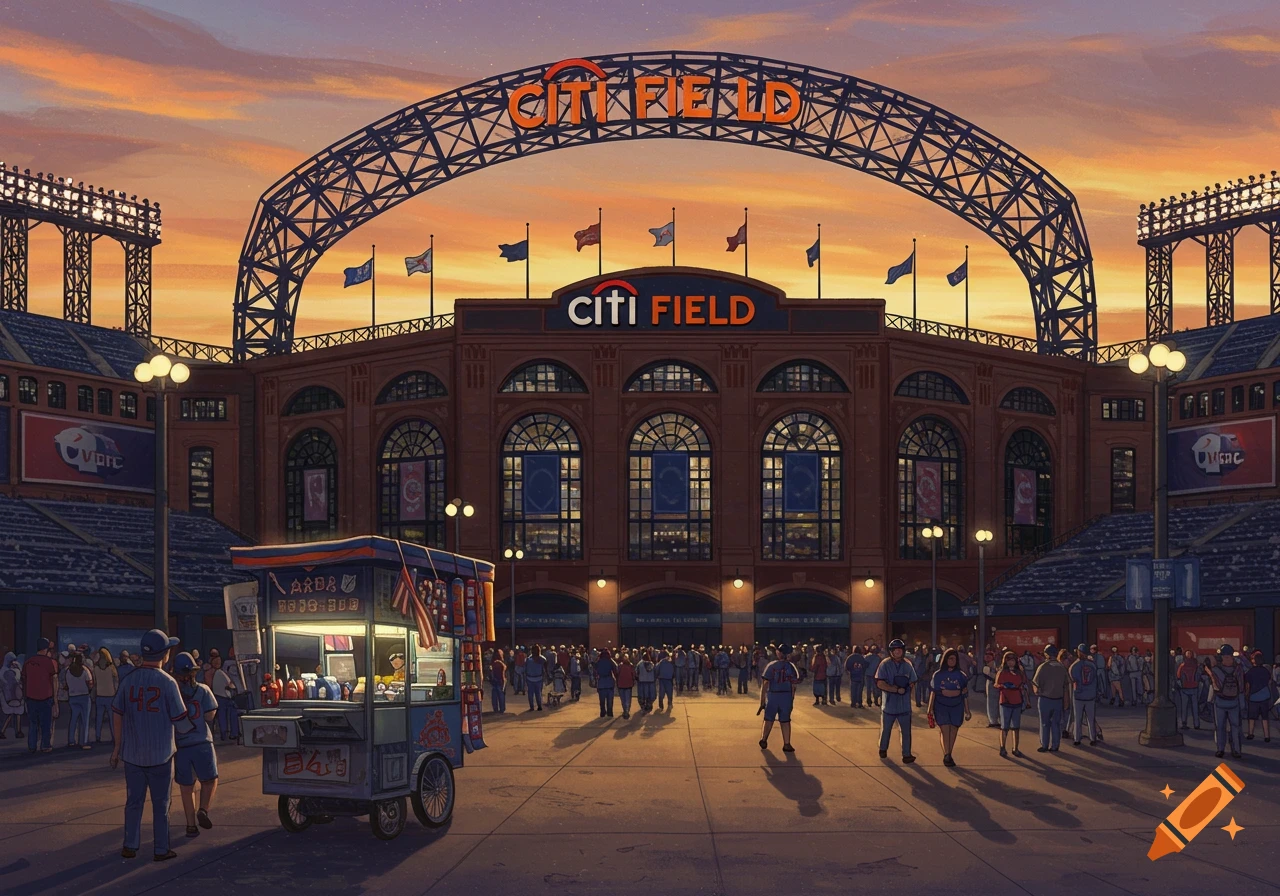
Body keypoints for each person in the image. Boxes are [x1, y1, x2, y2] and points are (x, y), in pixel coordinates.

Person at [110, 629, 194, 861]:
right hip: (161, 755)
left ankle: (130, 845)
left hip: (133, 754)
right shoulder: (168, 682)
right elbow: (181, 721)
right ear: (165, 655)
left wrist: (117, 747)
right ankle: (160, 849)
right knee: (161, 804)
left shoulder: (129, 680)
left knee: (133, 802)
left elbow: (117, 712)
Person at [171, 652, 219, 839]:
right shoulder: (203, 690)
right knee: (209, 780)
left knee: (186, 787)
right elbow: (210, 715)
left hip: (181, 745)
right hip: (202, 742)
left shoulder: (173, 693)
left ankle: (191, 825)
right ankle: (204, 809)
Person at [876, 639, 917, 762]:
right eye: (895, 649)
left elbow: (913, 680)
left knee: (906, 732)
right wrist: (894, 689)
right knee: (886, 730)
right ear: (891, 651)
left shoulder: (907, 664)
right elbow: (880, 683)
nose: (898, 651)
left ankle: (906, 754)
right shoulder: (884, 664)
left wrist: (909, 687)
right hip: (889, 705)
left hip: (904, 705)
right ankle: (883, 749)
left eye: (900, 649)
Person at [928, 648, 971, 767]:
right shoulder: (938, 675)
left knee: (954, 730)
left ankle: (949, 753)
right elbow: (933, 692)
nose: (952, 661)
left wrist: (967, 711)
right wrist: (930, 709)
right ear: (945, 659)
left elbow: (965, 694)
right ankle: (947, 754)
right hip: (941, 706)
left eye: (954, 659)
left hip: (957, 706)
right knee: (945, 729)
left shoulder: (961, 675)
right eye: (950, 658)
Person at [21, 638, 59, 753]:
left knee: (33, 724)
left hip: (30, 698)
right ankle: (45, 745)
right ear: (46, 648)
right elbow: (54, 680)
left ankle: (32, 746)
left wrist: (25, 696)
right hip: (45, 697)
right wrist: (55, 700)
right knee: (45, 724)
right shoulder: (49, 662)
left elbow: (23, 679)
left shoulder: (28, 661)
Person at [759, 643, 798, 752]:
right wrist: (792, 699)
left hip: (773, 696)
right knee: (785, 721)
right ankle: (787, 743)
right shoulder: (791, 667)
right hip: (786, 696)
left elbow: (765, 683)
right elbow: (794, 685)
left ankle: (764, 739)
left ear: (779, 653)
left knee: (768, 719)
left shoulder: (771, 666)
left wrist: (762, 701)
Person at [1209, 644, 1246, 758]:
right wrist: (1242, 703)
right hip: (1234, 702)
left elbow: (1213, 686)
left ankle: (1220, 749)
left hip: (1220, 702)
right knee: (1235, 727)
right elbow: (1241, 686)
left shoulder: (1216, 670)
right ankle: (1236, 750)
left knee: (1220, 727)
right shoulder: (1238, 669)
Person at [1031, 645, 1069, 753]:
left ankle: (1044, 745)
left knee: (1044, 723)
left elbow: (1035, 684)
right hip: (1058, 700)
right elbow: (1066, 686)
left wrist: (1037, 692)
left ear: (1046, 654)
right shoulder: (1061, 667)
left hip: (1045, 699)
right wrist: (1066, 702)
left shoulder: (1043, 667)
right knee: (1056, 724)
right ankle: (1055, 746)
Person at [995, 650, 1028, 758]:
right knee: (1004, 726)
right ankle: (1002, 747)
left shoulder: (1019, 673)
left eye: (1012, 660)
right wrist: (1003, 686)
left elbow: (1024, 682)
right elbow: (996, 684)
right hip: (1005, 701)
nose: (1010, 663)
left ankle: (1015, 748)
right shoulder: (1002, 672)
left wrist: (1022, 672)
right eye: (1008, 661)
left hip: (1017, 701)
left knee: (1016, 727)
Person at [1069, 645, 1099, 746]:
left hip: (1078, 695)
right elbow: (1095, 678)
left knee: (1078, 718)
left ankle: (1077, 739)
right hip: (1090, 695)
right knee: (1091, 718)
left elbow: (1072, 679)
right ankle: (1093, 738)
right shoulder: (1092, 665)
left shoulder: (1074, 665)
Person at [64, 649, 94, 749]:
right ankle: (83, 742)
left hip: (72, 696)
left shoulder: (68, 670)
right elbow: (90, 683)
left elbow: (66, 684)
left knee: (73, 719)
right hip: (84, 696)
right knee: (85, 720)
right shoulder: (85, 670)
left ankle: (71, 740)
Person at [92, 648, 119, 744]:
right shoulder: (112, 668)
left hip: (100, 695)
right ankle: (114, 736)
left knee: (99, 718)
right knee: (112, 719)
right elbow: (116, 682)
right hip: (110, 695)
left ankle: (98, 736)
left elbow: (94, 683)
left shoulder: (95, 668)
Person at [1243, 650, 1271, 744]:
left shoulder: (1250, 672)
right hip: (1265, 696)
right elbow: (1268, 681)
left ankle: (1250, 733)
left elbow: (1247, 685)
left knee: (1251, 717)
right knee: (1265, 717)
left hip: (1253, 697)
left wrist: (1247, 694)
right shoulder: (1265, 671)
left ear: (1254, 661)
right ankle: (1267, 736)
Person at [1175, 649, 1200, 730]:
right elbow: (1199, 675)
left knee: (1184, 706)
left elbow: (1178, 676)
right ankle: (1196, 724)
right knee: (1195, 706)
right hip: (1194, 687)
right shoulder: (1196, 664)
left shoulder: (1182, 665)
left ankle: (1184, 723)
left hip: (1184, 688)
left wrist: (1180, 685)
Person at [1, 651, 24, 739]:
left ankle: (5, 730)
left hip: (10, 696)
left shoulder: (4, 670)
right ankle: (17, 731)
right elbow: (16, 681)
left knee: (12, 713)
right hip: (11, 695)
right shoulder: (8, 672)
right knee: (15, 712)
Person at [524, 644, 548, 711]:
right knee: (538, 693)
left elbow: (525, 669)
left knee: (530, 693)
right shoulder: (542, 659)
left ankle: (531, 707)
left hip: (529, 678)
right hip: (539, 678)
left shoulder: (528, 659)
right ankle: (539, 706)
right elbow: (545, 669)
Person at [595, 648, 618, 718]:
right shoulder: (610, 661)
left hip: (601, 682)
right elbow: (616, 668)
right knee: (610, 699)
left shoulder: (598, 662)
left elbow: (595, 670)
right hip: (609, 682)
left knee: (602, 700)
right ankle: (609, 712)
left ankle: (602, 712)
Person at [981, 649, 1000, 728]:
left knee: (992, 702)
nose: (987, 656)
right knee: (992, 702)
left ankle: (994, 720)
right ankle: (993, 720)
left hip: (993, 683)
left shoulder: (993, 664)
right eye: (986, 654)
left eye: (990, 654)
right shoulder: (987, 665)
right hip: (991, 683)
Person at [616, 651, 635, 719]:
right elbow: (633, 674)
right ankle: (627, 710)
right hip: (628, 684)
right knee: (627, 698)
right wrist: (633, 681)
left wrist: (617, 681)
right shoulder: (631, 665)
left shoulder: (620, 666)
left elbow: (617, 674)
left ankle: (625, 710)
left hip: (621, 684)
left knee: (623, 699)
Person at [490, 649, 507, 714]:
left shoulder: (493, 663)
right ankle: (502, 708)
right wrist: (503, 681)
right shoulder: (501, 663)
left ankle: (495, 708)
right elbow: (502, 674)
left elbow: (491, 672)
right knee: (501, 695)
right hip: (500, 680)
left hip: (495, 680)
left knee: (494, 695)